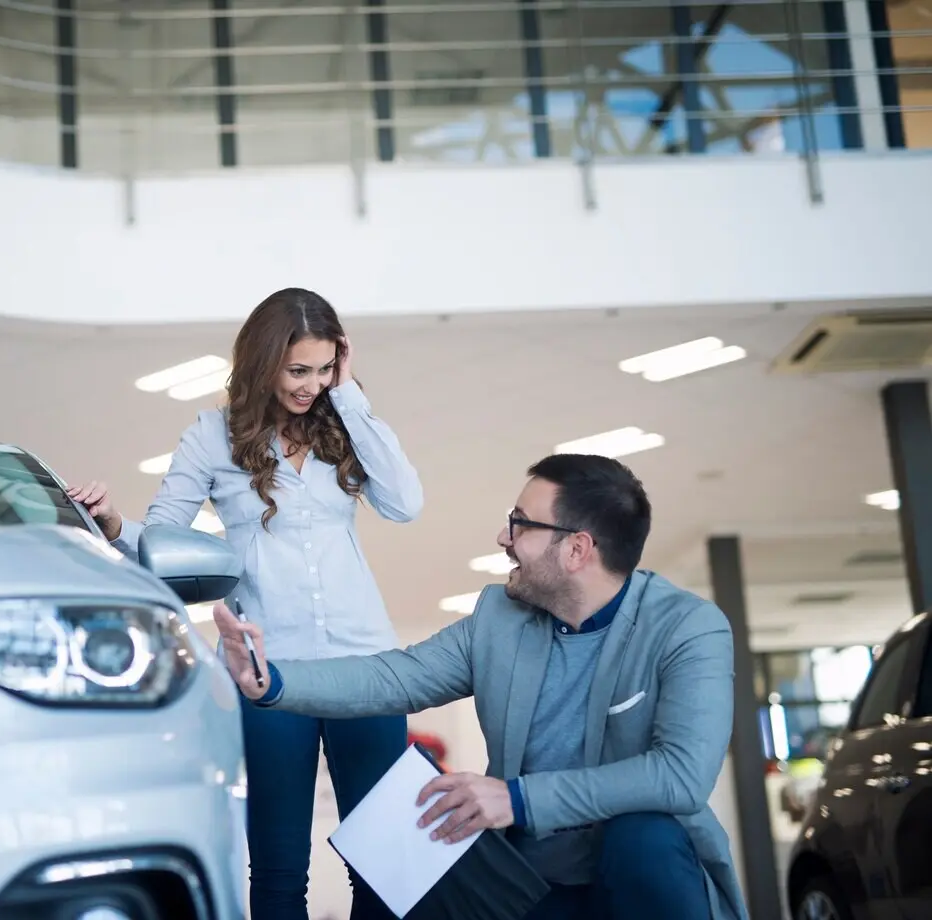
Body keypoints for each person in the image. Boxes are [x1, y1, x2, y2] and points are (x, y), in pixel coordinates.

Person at [210, 454, 747, 920]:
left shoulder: (687, 627)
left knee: (643, 838)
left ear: (577, 549)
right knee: (415, 831)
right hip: (525, 881)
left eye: (520, 524)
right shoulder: (501, 617)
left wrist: (514, 798)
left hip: (636, 878)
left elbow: (680, 775)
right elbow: (395, 675)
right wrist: (271, 681)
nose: (502, 538)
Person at [68, 287, 423, 920]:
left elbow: (404, 503)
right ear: (263, 363)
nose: (310, 385)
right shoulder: (212, 435)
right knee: (280, 868)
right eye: (297, 370)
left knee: (386, 861)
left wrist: (350, 396)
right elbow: (165, 538)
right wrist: (114, 521)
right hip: (270, 672)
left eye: (323, 369)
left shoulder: (344, 422)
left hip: (366, 665)